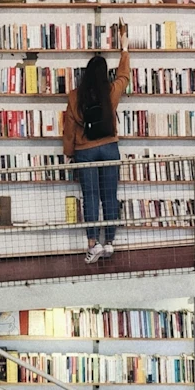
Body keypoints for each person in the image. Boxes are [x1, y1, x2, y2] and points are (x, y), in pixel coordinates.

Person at [63, 26, 130, 264]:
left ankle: (93, 244)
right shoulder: (111, 91)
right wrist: (124, 49)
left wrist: (69, 152)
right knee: (110, 196)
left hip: (85, 150)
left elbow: (69, 125)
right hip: (109, 147)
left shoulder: (74, 95)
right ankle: (110, 243)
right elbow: (124, 77)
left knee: (90, 196)